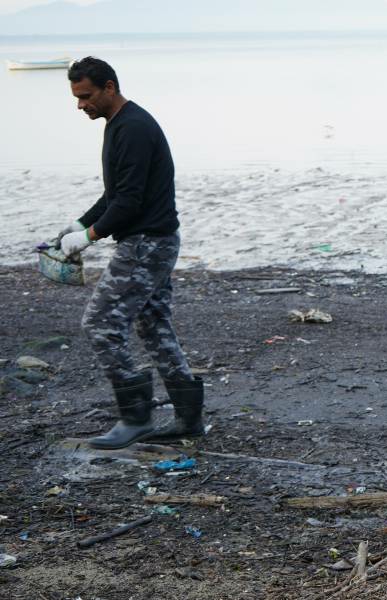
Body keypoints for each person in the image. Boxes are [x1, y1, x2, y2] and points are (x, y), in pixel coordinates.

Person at [56, 56, 205, 449]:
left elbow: (131, 202)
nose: (80, 105)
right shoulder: (120, 124)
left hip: (146, 243)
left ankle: (136, 417)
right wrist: (78, 225)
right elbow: (115, 195)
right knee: (153, 325)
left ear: (109, 88)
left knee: (101, 322)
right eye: (76, 98)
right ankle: (189, 418)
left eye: (86, 96)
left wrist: (89, 235)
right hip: (154, 240)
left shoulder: (134, 128)